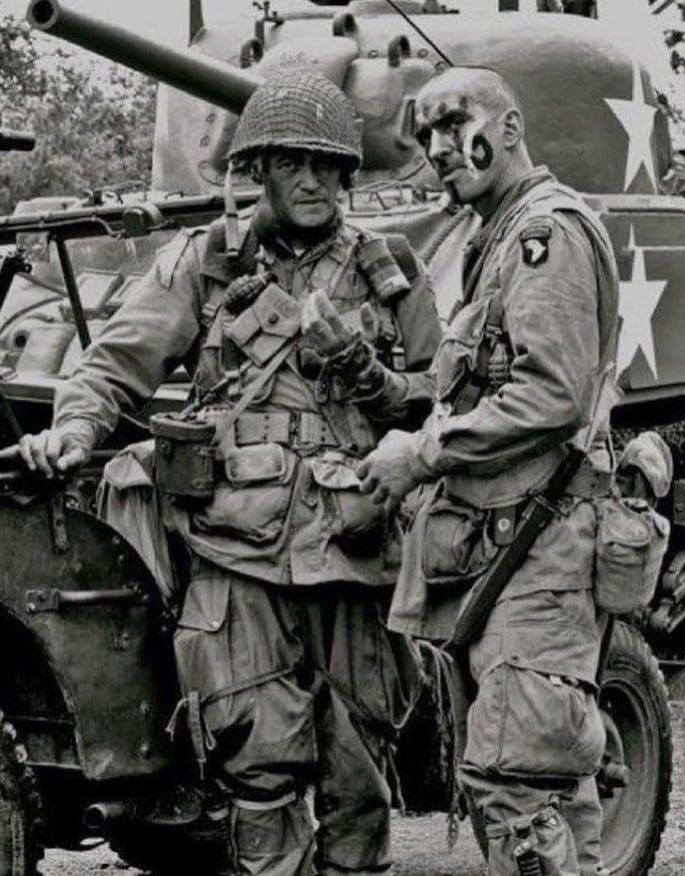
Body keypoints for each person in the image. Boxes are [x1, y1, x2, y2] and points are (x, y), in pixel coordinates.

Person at [9, 69, 441, 876]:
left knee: (358, 774)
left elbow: (441, 401)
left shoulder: (392, 274)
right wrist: (72, 431)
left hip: (352, 550)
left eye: (325, 165)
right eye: (288, 164)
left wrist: (378, 385)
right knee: (257, 765)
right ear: (259, 172)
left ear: (347, 173)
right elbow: (114, 367)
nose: (310, 181)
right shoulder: (206, 262)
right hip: (233, 549)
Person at [357, 66, 620, 876]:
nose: (439, 146)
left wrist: (423, 452)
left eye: (455, 122)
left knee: (515, 783)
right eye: (427, 132)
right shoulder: (497, 238)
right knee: (542, 788)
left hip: (538, 555)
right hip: (507, 556)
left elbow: (553, 394)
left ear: (508, 128)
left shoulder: (543, 234)